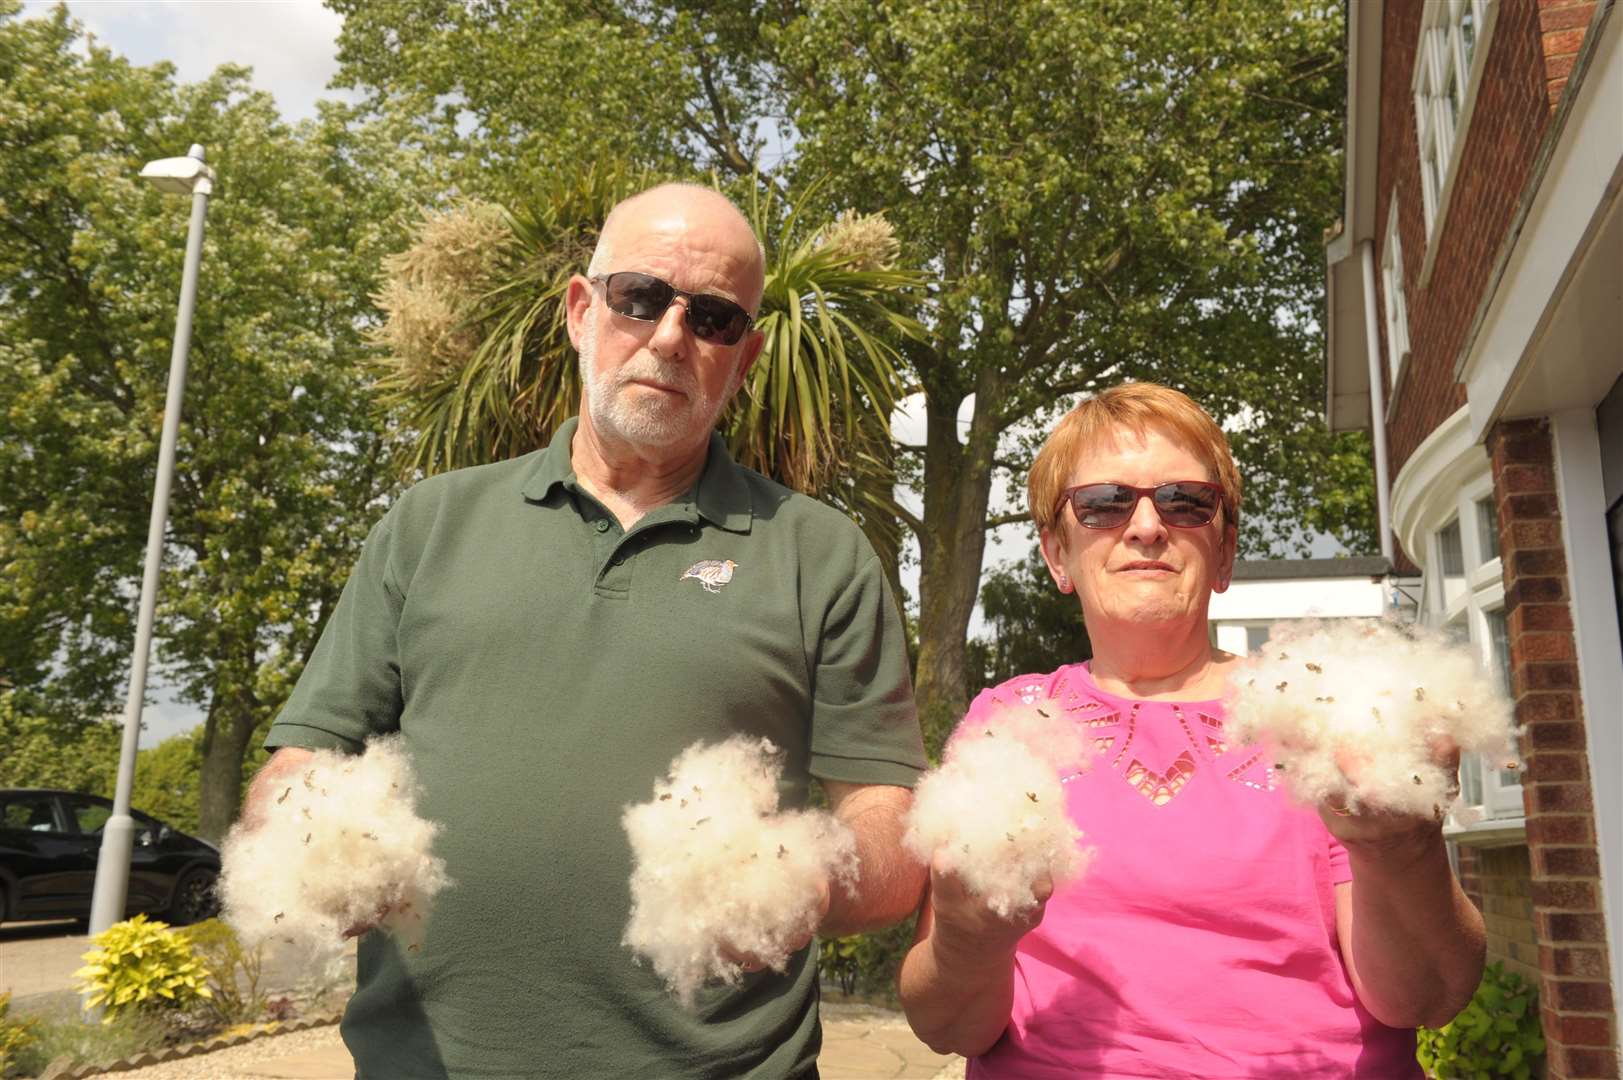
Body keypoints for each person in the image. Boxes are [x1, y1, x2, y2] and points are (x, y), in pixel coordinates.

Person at [243, 183, 928, 1078]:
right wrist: (296, 848)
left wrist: (809, 879)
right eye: (639, 297)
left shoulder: (820, 554)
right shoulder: (430, 522)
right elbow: (305, 759)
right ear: (580, 310)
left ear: (746, 355)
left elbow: (884, 818)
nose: (671, 337)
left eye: (714, 318)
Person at [898, 382, 1485, 1077]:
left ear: (1225, 551)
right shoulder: (1007, 723)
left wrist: (1402, 848)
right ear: (1057, 553)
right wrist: (969, 939)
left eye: (1184, 501)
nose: (1146, 526)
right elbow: (946, 1024)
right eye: (1103, 503)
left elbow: (1423, 997)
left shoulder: (1322, 711)